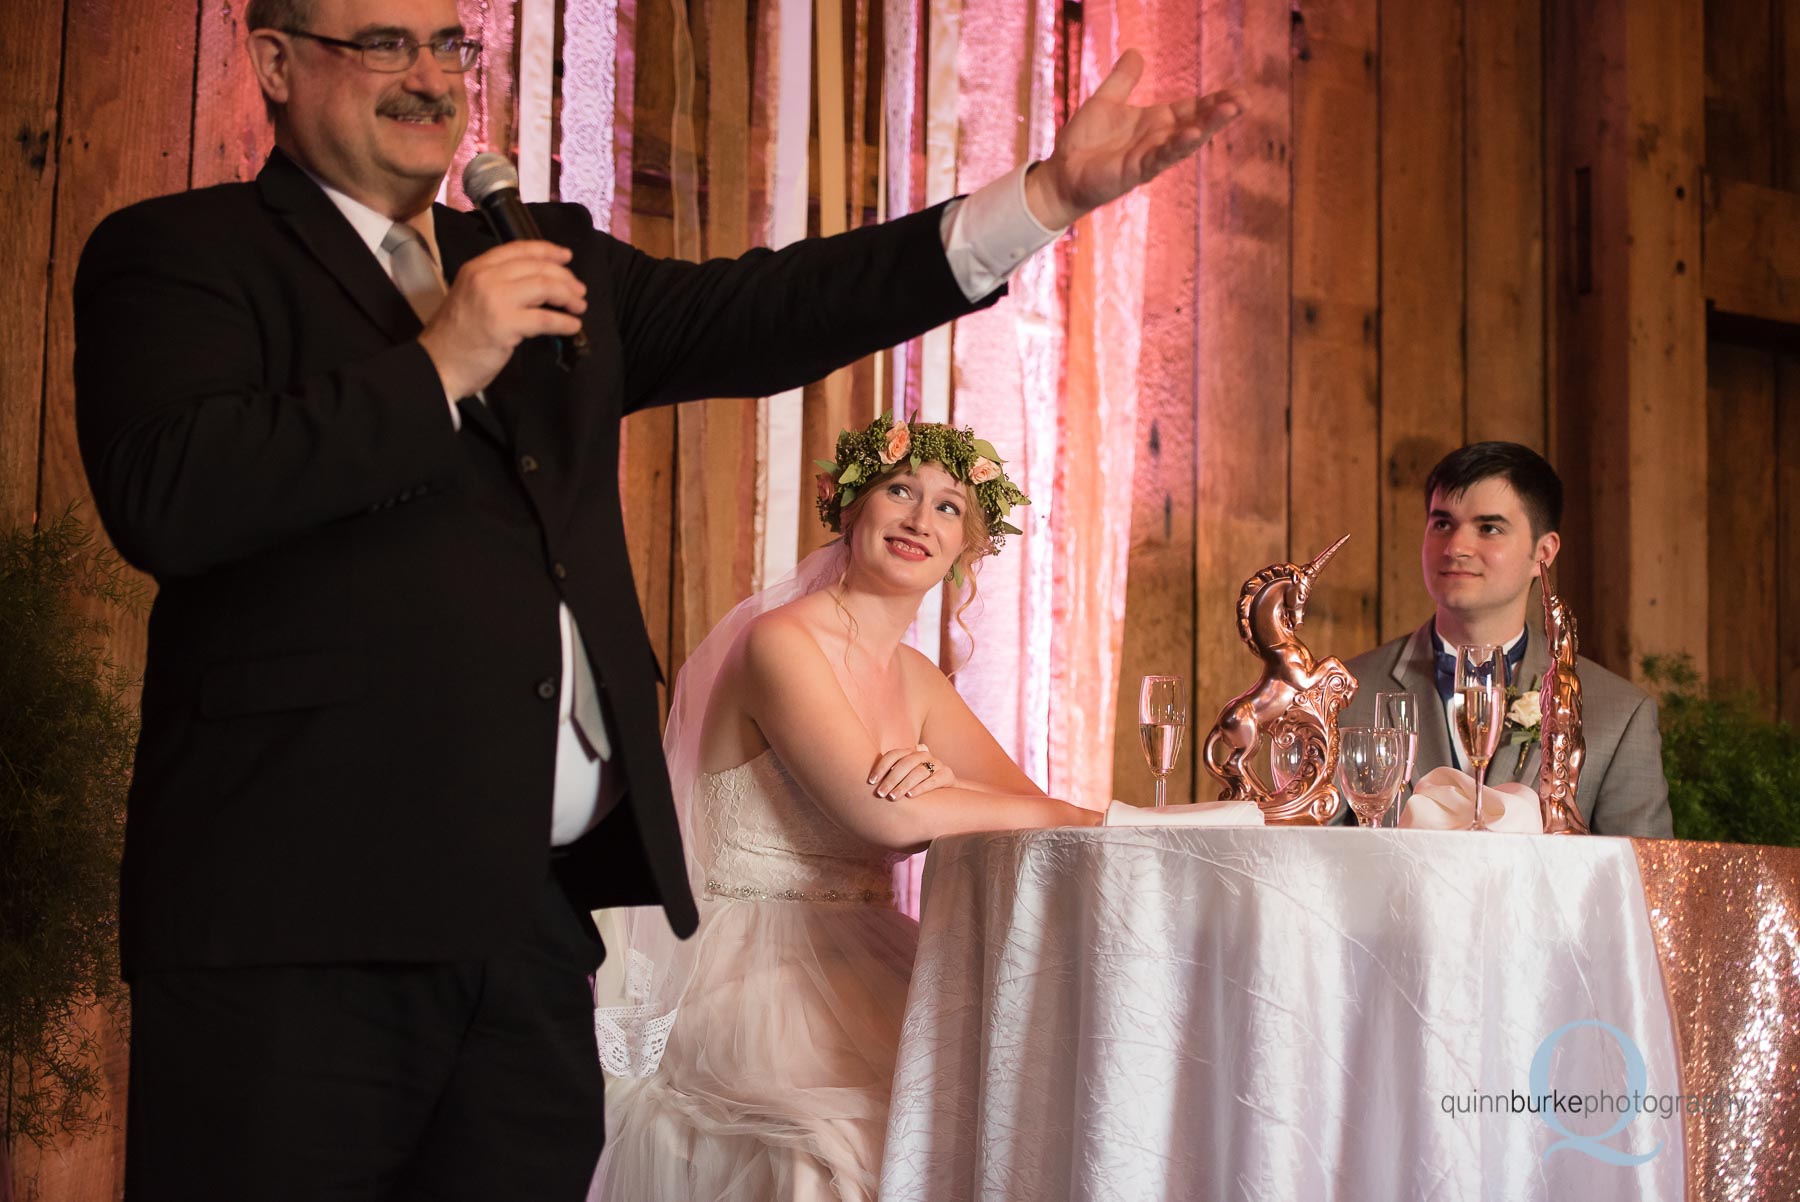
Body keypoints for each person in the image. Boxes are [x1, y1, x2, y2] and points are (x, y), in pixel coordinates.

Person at [70, 0, 1243, 1194]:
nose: (427, 78)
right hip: (293, 920)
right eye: (382, 43)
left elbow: (770, 309)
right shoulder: (180, 252)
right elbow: (169, 496)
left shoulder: (539, 257)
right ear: (273, 61)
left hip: (524, 923)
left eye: (448, 45)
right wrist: (436, 367)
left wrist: (1036, 199)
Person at [590, 414, 1101, 1201]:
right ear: (851, 507)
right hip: (738, 966)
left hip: (862, 951)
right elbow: (886, 819)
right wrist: (986, 802)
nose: (918, 520)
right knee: (843, 1139)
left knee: (1005, 1115)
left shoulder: (918, 680)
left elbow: (1022, 807)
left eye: (949, 507)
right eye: (900, 490)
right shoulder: (781, 642)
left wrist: (946, 784)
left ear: (969, 545)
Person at [1339, 442, 1672, 837]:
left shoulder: (1618, 715)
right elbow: (1301, 860)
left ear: (1543, 553)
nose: (1456, 547)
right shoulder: (1345, 693)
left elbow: (1641, 884)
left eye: (1489, 528)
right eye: (1442, 523)